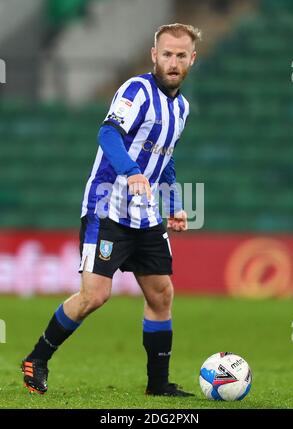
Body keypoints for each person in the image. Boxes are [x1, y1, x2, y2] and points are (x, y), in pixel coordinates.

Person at [22, 23, 200, 396]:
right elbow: (107, 133)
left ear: (191, 60)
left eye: (180, 55)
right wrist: (132, 173)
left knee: (161, 293)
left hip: (147, 214)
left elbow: (164, 160)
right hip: (107, 205)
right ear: (154, 54)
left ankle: (158, 384)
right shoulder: (135, 91)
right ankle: (36, 359)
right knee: (95, 296)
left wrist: (174, 205)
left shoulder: (181, 108)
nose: (172, 61)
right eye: (166, 53)